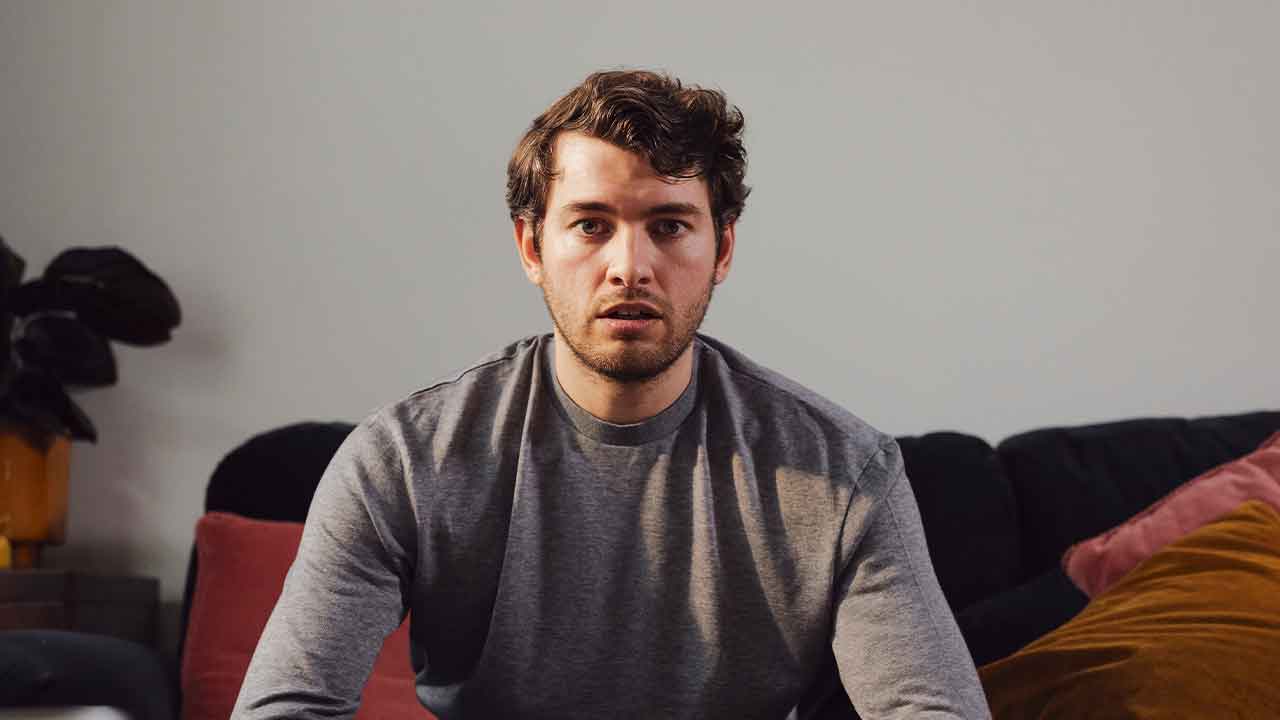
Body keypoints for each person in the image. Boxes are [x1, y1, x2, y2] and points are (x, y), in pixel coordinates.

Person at [233, 69, 991, 719]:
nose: (630, 266)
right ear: (532, 246)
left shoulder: (846, 474)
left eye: (670, 226)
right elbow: (286, 706)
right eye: (592, 225)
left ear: (722, 248)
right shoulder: (402, 461)